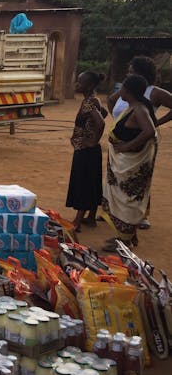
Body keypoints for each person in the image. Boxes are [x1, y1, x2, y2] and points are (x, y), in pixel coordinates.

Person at [107, 56, 171, 229]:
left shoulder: (152, 93)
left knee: (136, 181)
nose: (127, 74)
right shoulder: (128, 89)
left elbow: (148, 129)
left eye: (131, 71)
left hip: (138, 146)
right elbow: (111, 100)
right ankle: (117, 212)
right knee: (118, 181)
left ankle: (137, 216)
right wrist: (119, 121)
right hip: (120, 145)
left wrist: (156, 122)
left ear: (141, 74)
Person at [101, 74, 157, 251]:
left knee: (127, 200)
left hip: (130, 165)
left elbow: (149, 131)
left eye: (122, 88)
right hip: (122, 164)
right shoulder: (133, 106)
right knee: (123, 199)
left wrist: (127, 147)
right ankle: (124, 237)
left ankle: (124, 242)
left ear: (129, 91)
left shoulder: (139, 109)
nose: (120, 91)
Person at [66, 72, 106, 232]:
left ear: (89, 86)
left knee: (83, 183)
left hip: (86, 149)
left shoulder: (89, 102)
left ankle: (77, 220)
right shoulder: (93, 99)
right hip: (89, 150)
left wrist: (92, 140)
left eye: (80, 82)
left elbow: (101, 122)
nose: (77, 84)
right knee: (91, 182)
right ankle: (91, 217)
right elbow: (104, 113)